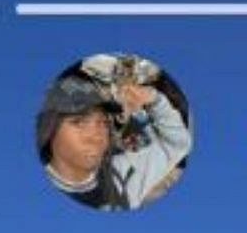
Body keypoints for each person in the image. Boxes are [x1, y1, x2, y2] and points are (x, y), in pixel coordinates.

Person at [38, 61, 190, 210]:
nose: (96, 136)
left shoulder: (126, 172)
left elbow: (176, 145)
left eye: (102, 122)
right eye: (79, 122)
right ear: (50, 130)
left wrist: (155, 100)